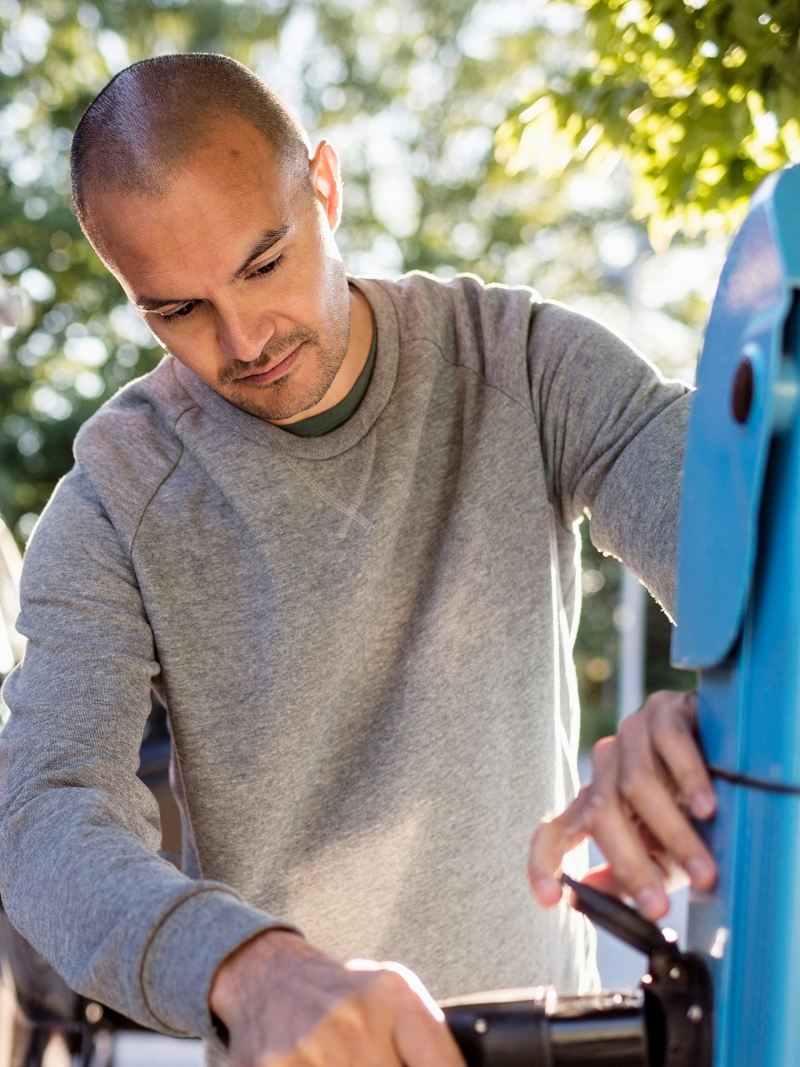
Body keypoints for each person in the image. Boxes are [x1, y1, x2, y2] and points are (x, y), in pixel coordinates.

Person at [0, 53, 716, 1067]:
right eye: (176, 309)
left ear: (323, 189)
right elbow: (43, 814)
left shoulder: (518, 360)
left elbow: (746, 545)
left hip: (551, 1038)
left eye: (262, 263)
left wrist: (710, 712)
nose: (244, 339)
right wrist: (250, 967)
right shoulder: (117, 497)